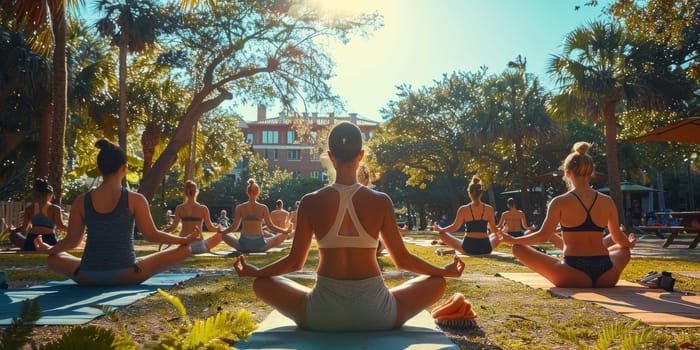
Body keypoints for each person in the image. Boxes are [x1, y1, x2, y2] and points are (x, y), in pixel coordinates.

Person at [234, 122, 464, 331]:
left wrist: (257, 272)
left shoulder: (310, 201)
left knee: (262, 285)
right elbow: (402, 260)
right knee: (436, 283)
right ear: (361, 155)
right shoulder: (381, 201)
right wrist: (444, 271)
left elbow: (295, 262)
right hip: (377, 314)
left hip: (322, 315)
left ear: (330, 156)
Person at [34, 139, 201, 285]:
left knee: (54, 258)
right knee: (185, 249)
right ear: (125, 168)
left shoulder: (81, 201)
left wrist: (49, 249)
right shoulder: (136, 199)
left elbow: (71, 242)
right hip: (128, 274)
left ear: (99, 170)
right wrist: (184, 239)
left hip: (87, 276)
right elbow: (152, 235)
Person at [499, 142, 636, 288]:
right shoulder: (607, 201)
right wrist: (630, 244)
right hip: (606, 275)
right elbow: (617, 238)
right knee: (623, 249)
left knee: (518, 248)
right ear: (591, 173)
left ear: (567, 173)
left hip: (573, 274)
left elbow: (543, 236)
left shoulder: (559, 202)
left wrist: (513, 240)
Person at [433, 177, 504, 256]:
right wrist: (502, 232)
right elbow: (493, 229)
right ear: (481, 193)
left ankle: (448, 251)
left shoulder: (463, 209)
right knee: (498, 235)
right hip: (485, 248)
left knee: (442, 234)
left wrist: (441, 229)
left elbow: (455, 227)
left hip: (468, 247)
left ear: (469, 193)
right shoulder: (489, 209)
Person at [220, 179, 291, 253]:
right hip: (260, 245)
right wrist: (285, 231)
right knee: (284, 235)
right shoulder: (263, 207)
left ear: (247, 192)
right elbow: (271, 226)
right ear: (258, 193)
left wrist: (223, 232)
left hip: (243, 245)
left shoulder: (240, 207)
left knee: (224, 235)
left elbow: (235, 227)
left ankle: (242, 246)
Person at [163, 180, 223, 254]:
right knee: (221, 235)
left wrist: (162, 232)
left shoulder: (179, 208)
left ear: (185, 192)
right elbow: (210, 227)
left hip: (184, 245)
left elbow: (173, 227)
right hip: (198, 246)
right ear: (196, 192)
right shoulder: (203, 208)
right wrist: (219, 228)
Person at [10, 178, 68, 251]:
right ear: (49, 194)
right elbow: (61, 227)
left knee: (13, 235)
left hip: (31, 241)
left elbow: (23, 228)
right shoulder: (55, 209)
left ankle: (29, 246)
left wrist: (12, 230)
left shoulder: (29, 208)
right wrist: (74, 231)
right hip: (49, 241)